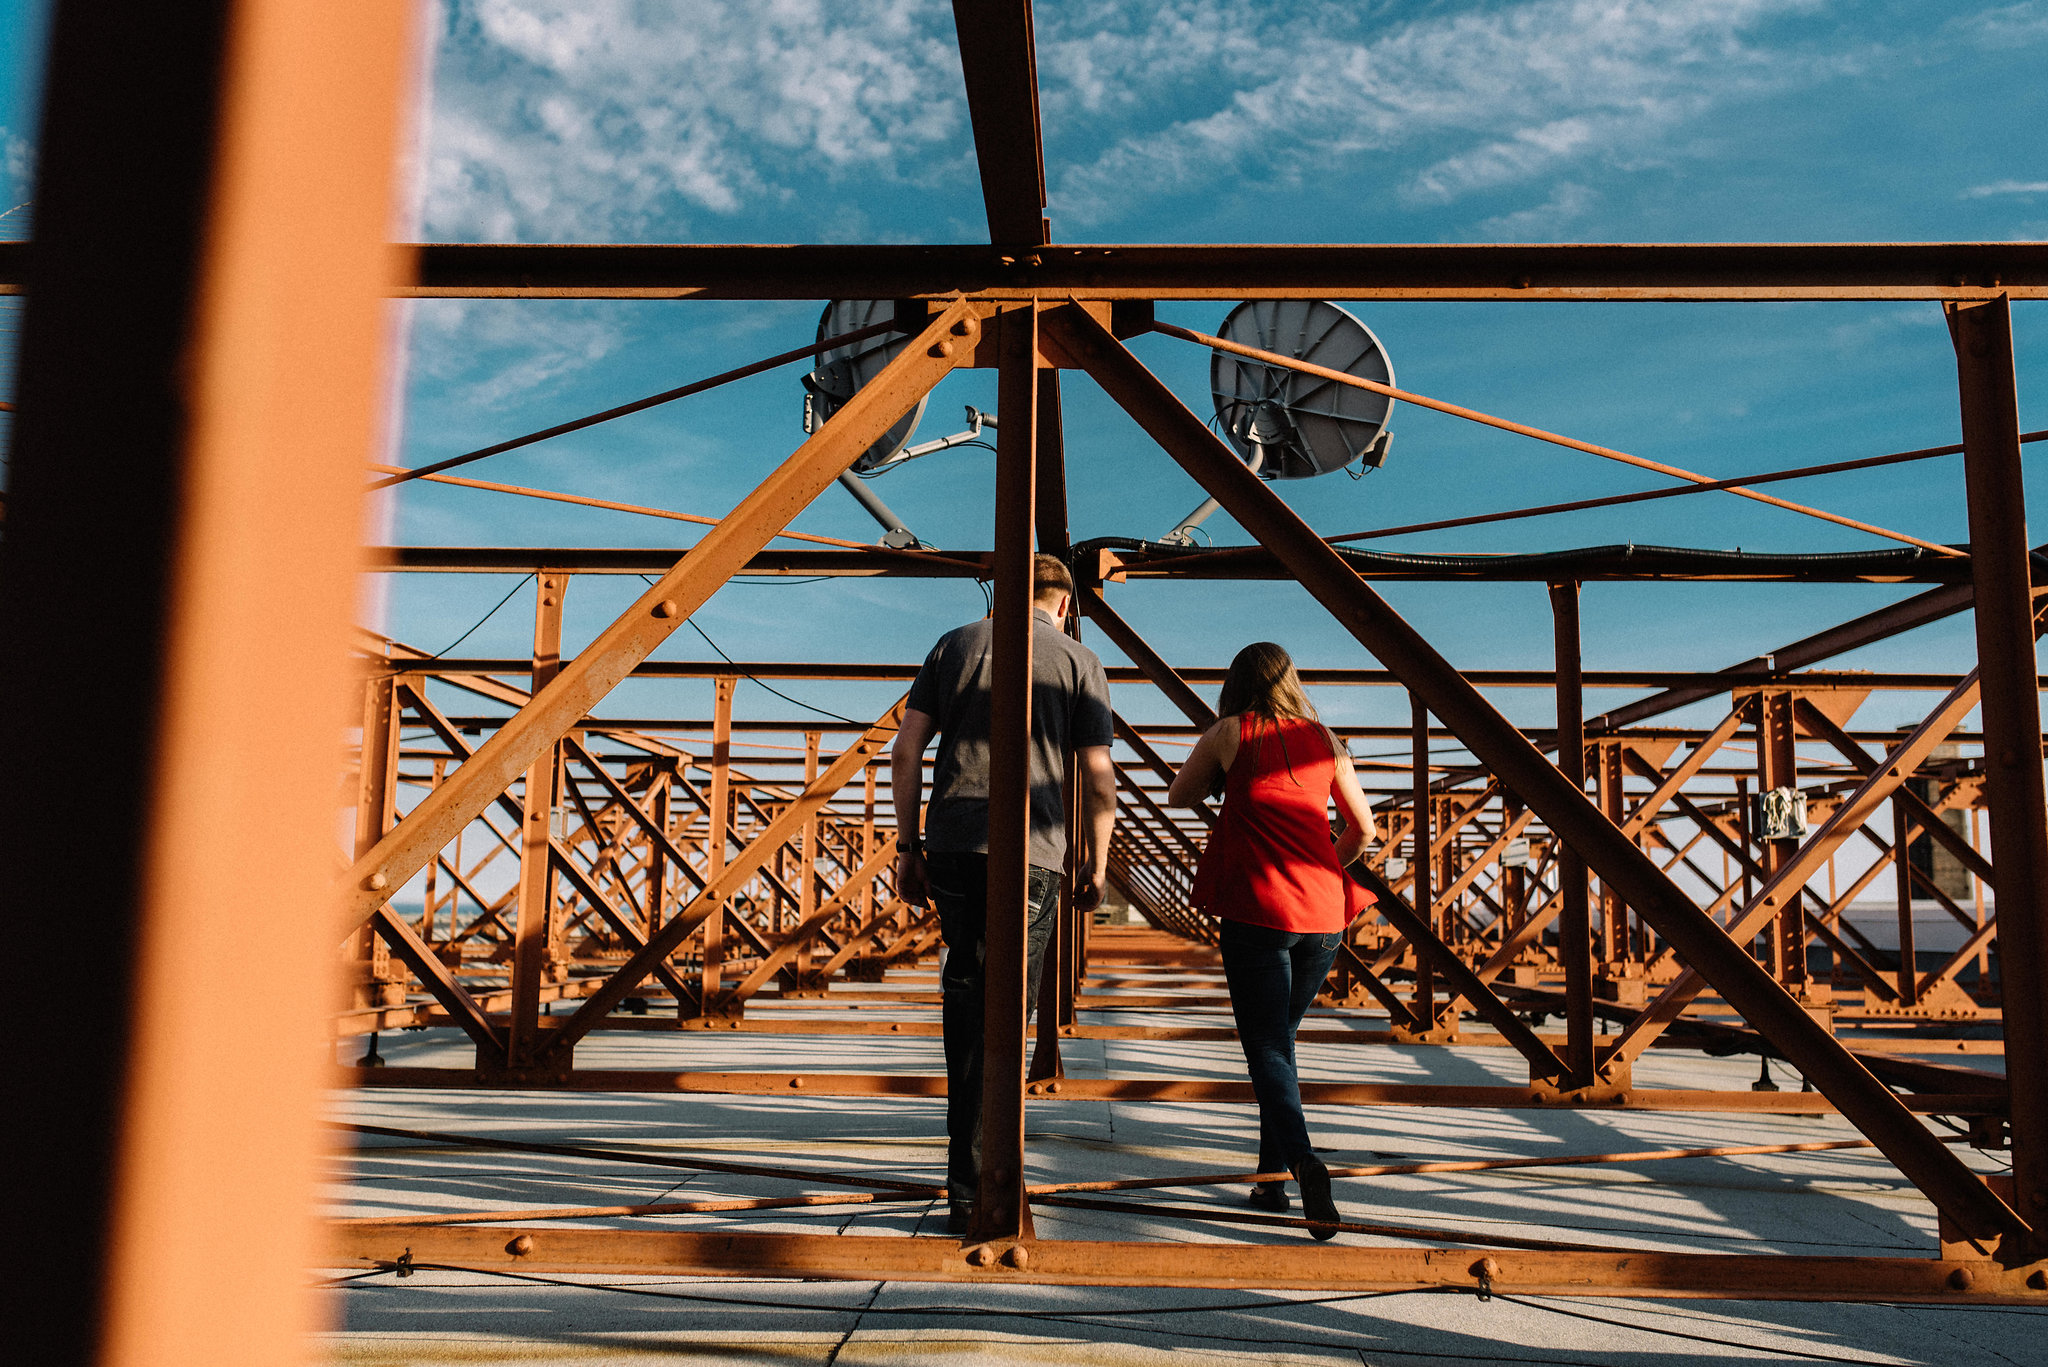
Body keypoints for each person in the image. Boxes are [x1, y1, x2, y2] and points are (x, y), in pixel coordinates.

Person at [891, 552, 1118, 1235]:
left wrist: (908, 847)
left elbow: (906, 750)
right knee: (1006, 1013)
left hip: (956, 838)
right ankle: (989, 1181)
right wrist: (1094, 860)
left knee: (966, 1001)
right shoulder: (1080, 661)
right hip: (1035, 852)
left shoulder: (953, 644)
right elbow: (1099, 775)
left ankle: (967, 1184)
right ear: (1067, 604)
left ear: (1000, 594)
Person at [1166, 641, 1376, 1239]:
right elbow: (1364, 828)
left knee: (1266, 1046)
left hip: (1259, 912)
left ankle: (1303, 1159)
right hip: (1324, 916)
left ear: (1236, 684)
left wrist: (1225, 783)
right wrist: (1326, 865)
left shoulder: (1228, 732)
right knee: (1280, 1042)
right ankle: (1269, 1180)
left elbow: (1179, 796)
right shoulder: (1327, 740)